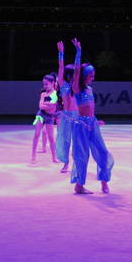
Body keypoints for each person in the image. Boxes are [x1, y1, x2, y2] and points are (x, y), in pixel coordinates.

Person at [70, 38, 114, 194]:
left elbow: (91, 109)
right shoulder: (77, 89)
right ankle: (79, 185)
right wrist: (78, 53)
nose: (94, 77)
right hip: (81, 125)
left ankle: (104, 181)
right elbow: (76, 72)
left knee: (102, 151)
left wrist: (96, 119)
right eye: (91, 75)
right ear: (84, 76)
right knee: (82, 156)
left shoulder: (90, 89)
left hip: (92, 123)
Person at [55, 41, 78, 173]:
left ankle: (77, 162)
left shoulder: (77, 86)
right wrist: (61, 53)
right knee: (64, 140)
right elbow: (61, 67)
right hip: (66, 115)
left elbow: (78, 69)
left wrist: (78, 53)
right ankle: (65, 163)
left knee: (76, 140)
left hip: (76, 115)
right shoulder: (63, 84)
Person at [31, 74, 60, 164]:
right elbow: (41, 106)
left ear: (52, 83)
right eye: (43, 84)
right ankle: (33, 156)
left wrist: (49, 105)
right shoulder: (43, 94)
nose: (44, 86)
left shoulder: (56, 94)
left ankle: (54, 157)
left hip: (50, 117)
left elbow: (56, 105)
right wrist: (51, 105)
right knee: (37, 134)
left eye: (46, 84)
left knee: (51, 138)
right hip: (41, 115)